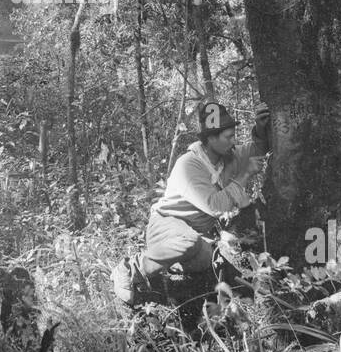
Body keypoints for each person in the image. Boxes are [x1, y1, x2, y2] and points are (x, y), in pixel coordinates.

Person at [113, 100, 270, 306]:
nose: (234, 142)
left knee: (211, 265)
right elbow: (216, 206)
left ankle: (169, 273)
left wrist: (261, 127)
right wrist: (245, 174)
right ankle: (130, 268)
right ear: (211, 138)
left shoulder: (228, 157)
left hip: (196, 236)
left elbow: (258, 149)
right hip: (167, 225)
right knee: (189, 243)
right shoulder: (188, 165)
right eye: (228, 137)